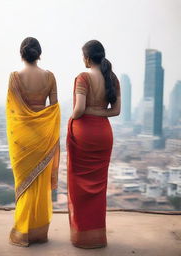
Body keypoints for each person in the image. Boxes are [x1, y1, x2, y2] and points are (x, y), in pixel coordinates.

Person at [6, 37, 60, 247]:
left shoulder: (15, 78)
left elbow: (13, 113)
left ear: (21, 53)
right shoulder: (50, 77)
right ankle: (39, 233)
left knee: (26, 185)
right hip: (44, 138)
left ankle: (22, 231)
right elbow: (53, 108)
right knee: (40, 186)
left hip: (23, 140)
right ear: (39, 54)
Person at [66, 40, 121, 248]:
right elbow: (115, 111)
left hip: (84, 135)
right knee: (99, 188)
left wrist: (73, 117)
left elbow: (79, 109)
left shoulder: (83, 78)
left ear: (87, 58)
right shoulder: (112, 78)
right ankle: (97, 237)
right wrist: (98, 112)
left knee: (80, 187)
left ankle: (82, 236)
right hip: (103, 134)